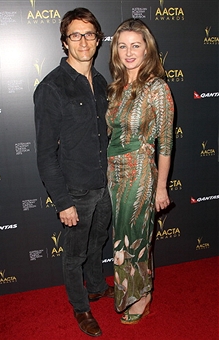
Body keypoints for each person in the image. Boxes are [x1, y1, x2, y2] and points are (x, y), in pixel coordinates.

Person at [34, 8, 113, 337]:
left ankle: (96, 285)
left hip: (104, 185)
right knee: (74, 253)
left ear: (98, 40)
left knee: (99, 241)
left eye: (90, 34)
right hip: (76, 191)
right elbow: (45, 153)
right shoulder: (52, 88)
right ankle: (81, 307)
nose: (83, 41)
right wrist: (63, 201)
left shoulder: (101, 82)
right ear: (64, 42)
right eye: (75, 35)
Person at [106, 18, 174, 324]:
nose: (129, 52)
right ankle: (130, 290)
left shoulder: (157, 87)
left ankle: (142, 295)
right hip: (114, 174)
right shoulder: (116, 87)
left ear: (147, 49)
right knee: (121, 236)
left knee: (136, 235)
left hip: (140, 174)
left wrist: (161, 187)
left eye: (136, 45)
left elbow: (166, 142)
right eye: (122, 45)